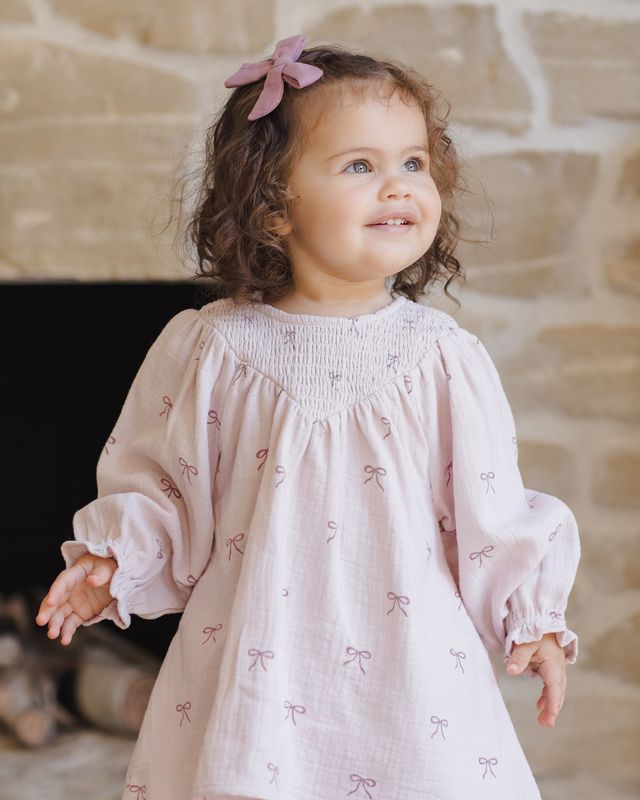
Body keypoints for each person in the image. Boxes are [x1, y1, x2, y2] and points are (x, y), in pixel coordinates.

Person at [35, 34, 581, 800]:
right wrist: (112, 561)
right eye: (361, 166)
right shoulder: (213, 348)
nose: (398, 186)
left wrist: (535, 619)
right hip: (256, 665)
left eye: (413, 163)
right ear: (271, 207)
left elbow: (489, 509)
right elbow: (165, 487)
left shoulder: (442, 358)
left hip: (413, 680)